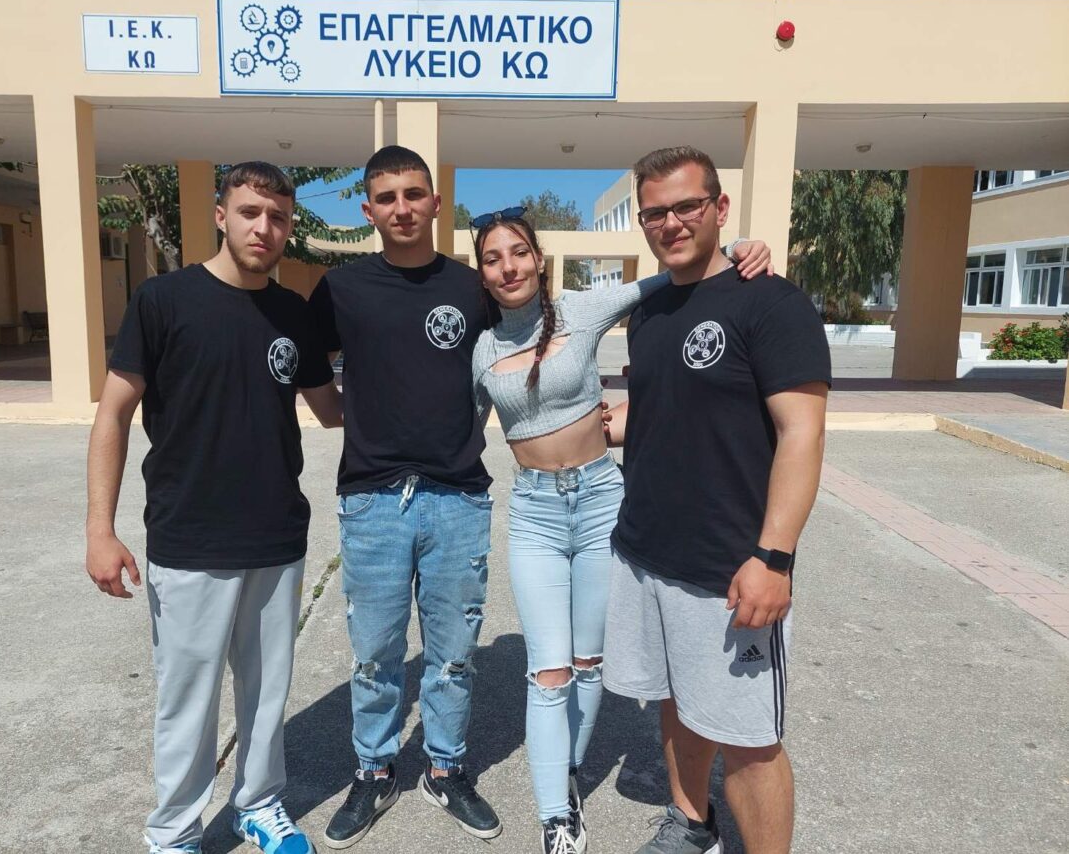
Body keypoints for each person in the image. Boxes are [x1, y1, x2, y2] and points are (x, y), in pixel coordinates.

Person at [469, 207, 771, 854]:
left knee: (588, 663)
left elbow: (674, 276)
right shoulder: (483, 350)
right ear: (482, 273)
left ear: (538, 259)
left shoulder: (581, 310)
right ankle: (557, 816)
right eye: (493, 259)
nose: (508, 267)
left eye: (518, 253)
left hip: (603, 501)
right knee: (548, 672)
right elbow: (453, 432)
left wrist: (742, 247)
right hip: (535, 515)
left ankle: (568, 773)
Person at [85, 162, 343, 854]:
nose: (265, 228)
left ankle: (258, 804)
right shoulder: (163, 300)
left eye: (279, 217)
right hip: (190, 536)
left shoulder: (292, 313)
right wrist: (99, 529)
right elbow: (113, 414)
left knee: (266, 690)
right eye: (251, 212)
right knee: (187, 700)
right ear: (221, 215)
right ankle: (174, 832)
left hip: (277, 534)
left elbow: (331, 409)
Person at [601, 146, 831, 854]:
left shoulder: (772, 302)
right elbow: (664, 406)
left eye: (687, 206)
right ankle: (690, 819)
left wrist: (773, 557)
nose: (671, 223)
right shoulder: (650, 311)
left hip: (732, 567)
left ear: (720, 208)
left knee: (749, 738)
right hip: (646, 551)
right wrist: (593, 425)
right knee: (677, 698)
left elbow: (802, 432)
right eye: (655, 213)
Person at [308, 146, 502, 849]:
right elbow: (303, 359)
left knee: (453, 654)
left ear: (435, 202)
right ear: (368, 209)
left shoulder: (472, 287)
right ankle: (375, 770)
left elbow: (534, 329)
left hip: (459, 497)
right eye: (386, 197)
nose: (402, 208)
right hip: (372, 500)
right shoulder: (341, 288)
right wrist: (338, 416)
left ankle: (445, 770)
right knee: (375, 654)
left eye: (414, 194)